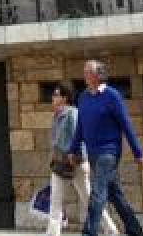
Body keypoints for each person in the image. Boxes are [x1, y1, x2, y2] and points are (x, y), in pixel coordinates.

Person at [68, 59, 143, 236]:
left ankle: (89, 232)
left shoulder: (112, 96)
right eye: (85, 71)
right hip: (93, 153)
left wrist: (138, 152)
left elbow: (126, 124)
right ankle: (135, 229)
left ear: (98, 75)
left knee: (97, 192)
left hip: (109, 152)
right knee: (114, 194)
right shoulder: (83, 97)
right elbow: (81, 127)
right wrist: (73, 149)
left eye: (88, 71)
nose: (85, 75)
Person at [48, 82, 119, 236]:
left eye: (56, 95)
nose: (53, 98)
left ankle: (111, 229)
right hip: (60, 163)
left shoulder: (72, 113)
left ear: (64, 98)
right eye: (53, 95)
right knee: (56, 201)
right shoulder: (58, 115)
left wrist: (74, 156)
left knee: (87, 199)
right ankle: (111, 229)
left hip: (75, 162)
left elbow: (79, 136)